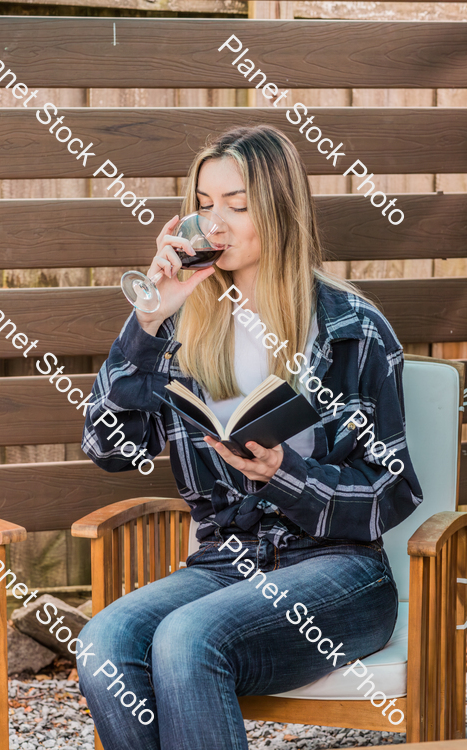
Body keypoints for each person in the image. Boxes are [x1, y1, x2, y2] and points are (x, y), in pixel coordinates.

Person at [77, 124, 423, 750]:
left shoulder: (352, 330)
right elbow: (107, 446)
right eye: (205, 205)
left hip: (340, 573)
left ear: (281, 209)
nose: (216, 224)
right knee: (106, 643)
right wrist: (148, 319)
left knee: (186, 639)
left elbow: (390, 493)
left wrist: (283, 473)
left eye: (237, 205)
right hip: (223, 566)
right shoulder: (183, 325)